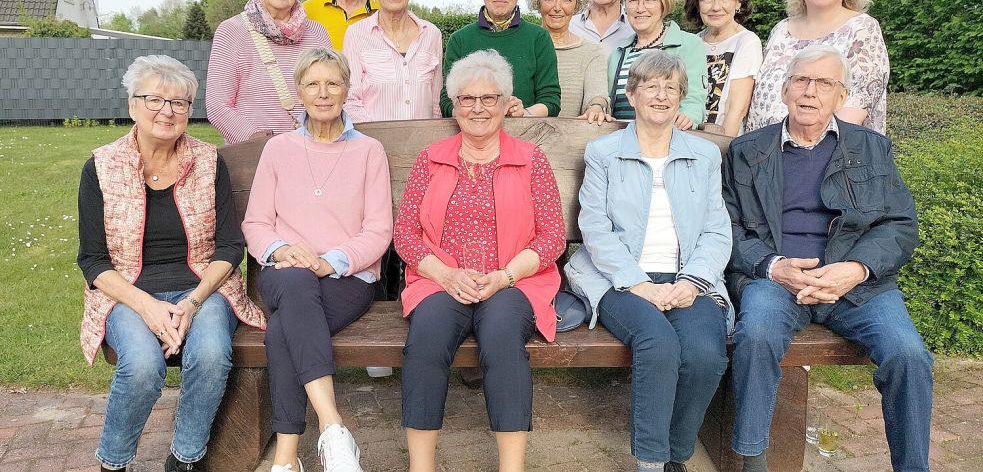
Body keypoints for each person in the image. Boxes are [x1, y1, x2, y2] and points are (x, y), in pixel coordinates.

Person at [722, 45, 931, 472]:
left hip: (856, 284)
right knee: (756, 335)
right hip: (777, 279)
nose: (810, 92)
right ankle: (752, 459)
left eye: (824, 83)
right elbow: (727, 226)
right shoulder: (747, 150)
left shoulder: (872, 148)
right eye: (801, 80)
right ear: (783, 90)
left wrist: (855, 269)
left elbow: (899, 225)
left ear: (840, 96)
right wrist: (772, 266)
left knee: (908, 354)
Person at [78, 55, 266, 472]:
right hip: (127, 293)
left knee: (213, 353)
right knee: (143, 366)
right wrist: (147, 306)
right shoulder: (101, 167)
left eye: (179, 103)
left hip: (203, 287)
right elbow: (92, 261)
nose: (167, 111)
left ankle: (185, 458)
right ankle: (114, 461)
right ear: (132, 106)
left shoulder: (208, 161)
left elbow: (230, 246)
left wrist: (193, 303)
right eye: (155, 99)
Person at [395, 49, 565, 471]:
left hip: (513, 280)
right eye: (467, 99)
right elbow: (405, 234)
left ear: (506, 104)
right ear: (455, 106)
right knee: (426, 340)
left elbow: (552, 237)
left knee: (502, 339)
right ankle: (421, 466)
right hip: (441, 278)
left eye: (488, 99)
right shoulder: (431, 158)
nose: (478, 108)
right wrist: (446, 274)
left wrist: (504, 276)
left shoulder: (530, 159)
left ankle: (512, 467)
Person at [565, 51, 732, 472]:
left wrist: (692, 282)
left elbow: (716, 229)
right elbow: (595, 228)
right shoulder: (603, 152)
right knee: (658, 344)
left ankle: (676, 454)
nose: (662, 95)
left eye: (671, 88)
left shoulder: (704, 155)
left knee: (705, 353)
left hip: (687, 277)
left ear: (681, 98)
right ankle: (652, 463)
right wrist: (638, 284)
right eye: (651, 87)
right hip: (620, 278)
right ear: (632, 95)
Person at [242, 48, 393, 472]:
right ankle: (333, 428)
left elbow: (379, 230)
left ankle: (287, 459)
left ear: (347, 89)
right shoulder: (278, 150)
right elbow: (256, 223)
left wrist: (332, 260)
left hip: (348, 277)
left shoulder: (369, 152)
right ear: (299, 92)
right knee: (295, 284)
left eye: (333, 83)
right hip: (284, 271)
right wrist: (281, 250)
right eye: (312, 83)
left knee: (282, 333)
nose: (323, 93)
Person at [746, 0, 889, 134]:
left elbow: (859, 102)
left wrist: (805, 146)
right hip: (765, 150)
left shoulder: (863, 28)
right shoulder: (781, 29)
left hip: (826, 154)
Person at [206, 0, 332, 144]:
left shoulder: (317, 33)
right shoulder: (231, 31)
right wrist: (257, 142)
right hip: (255, 157)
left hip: (313, 151)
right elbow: (218, 105)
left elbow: (333, 93)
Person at [438, 0, 561, 119]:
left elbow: (551, 100)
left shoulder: (538, 38)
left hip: (525, 137)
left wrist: (524, 113)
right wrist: (473, 115)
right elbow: (446, 101)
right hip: (471, 138)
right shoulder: (459, 40)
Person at [342, 0, 442, 122]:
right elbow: (350, 101)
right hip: (372, 146)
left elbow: (435, 104)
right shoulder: (356, 34)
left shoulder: (432, 35)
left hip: (424, 145)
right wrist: (379, 142)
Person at [609, 0, 707, 128]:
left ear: (664, 4)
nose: (640, 8)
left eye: (649, 0)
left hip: (668, 138)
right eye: (633, 0)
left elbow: (694, 99)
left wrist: (688, 118)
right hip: (621, 139)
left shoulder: (690, 44)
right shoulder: (618, 52)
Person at [683, 0, 762, 136]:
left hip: (722, 142)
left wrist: (722, 149)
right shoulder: (692, 42)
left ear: (738, 2)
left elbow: (737, 109)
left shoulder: (747, 41)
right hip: (687, 139)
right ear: (698, 3)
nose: (716, 7)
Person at [527, 0, 610, 123]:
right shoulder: (524, 45)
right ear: (538, 2)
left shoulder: (591, 52)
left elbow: (597, 95)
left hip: (573, 142)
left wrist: (596, 106)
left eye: (566, 0)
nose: (557, 8)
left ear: (576, 4)